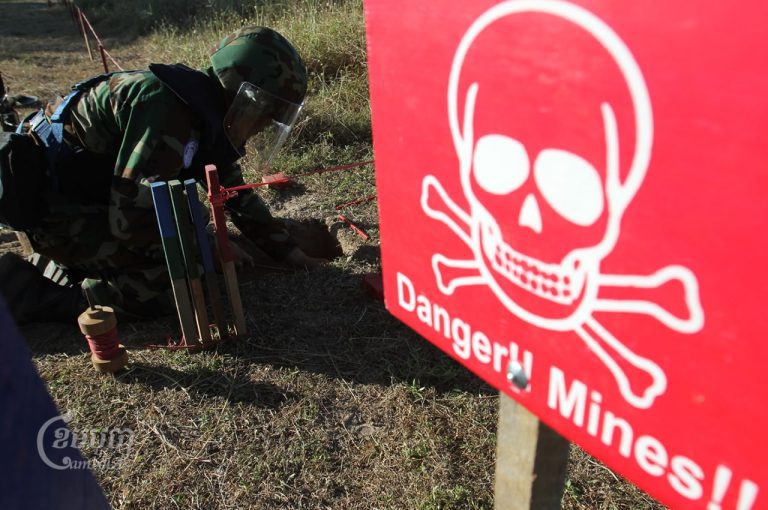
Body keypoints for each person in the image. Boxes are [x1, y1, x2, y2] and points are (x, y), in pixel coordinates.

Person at [0, 26, 325, 324]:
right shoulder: (168, 112)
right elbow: (130, 220)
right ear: (243, 97)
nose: (262, 127)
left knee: (189, 249)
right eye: (264, 115)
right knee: (177, 282)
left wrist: (289, 252)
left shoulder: (205, 111)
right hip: (50, 211)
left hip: (85, 196)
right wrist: (205, 245)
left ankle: (72, 264)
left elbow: (236, 191)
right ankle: (41, 291)